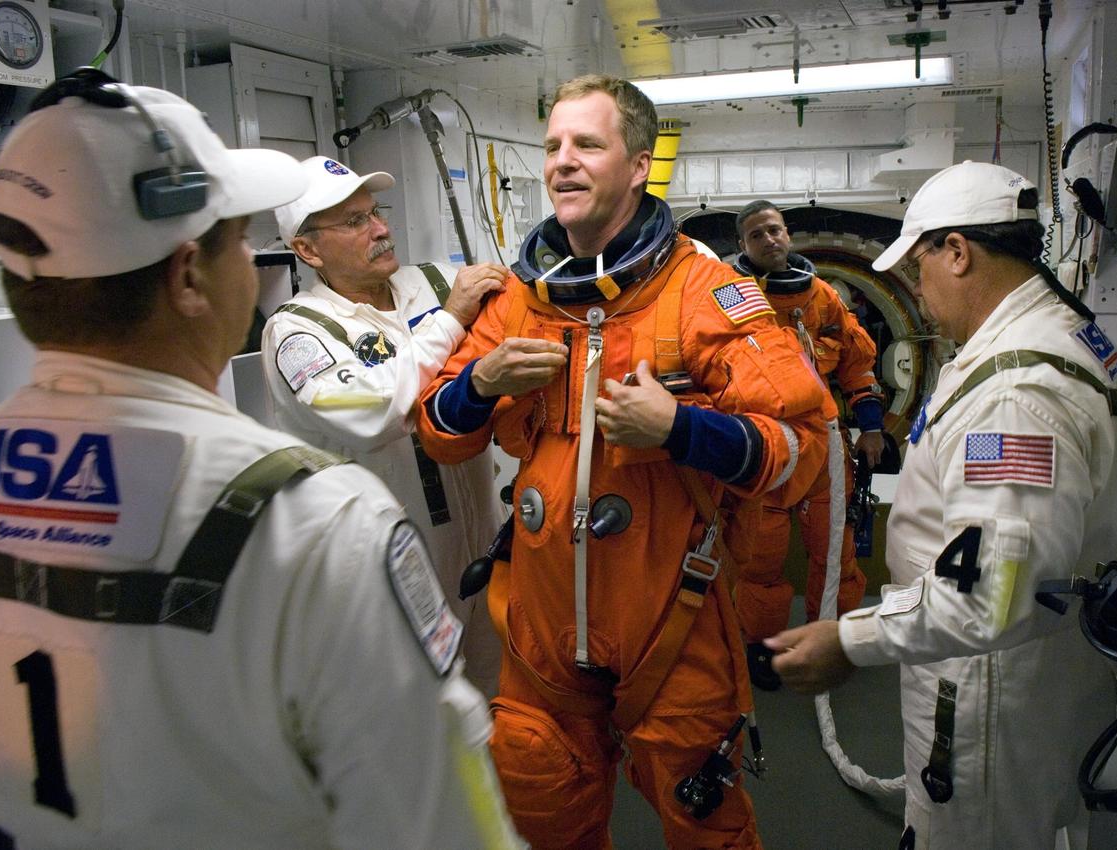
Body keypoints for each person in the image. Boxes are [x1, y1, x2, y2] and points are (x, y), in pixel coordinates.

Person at [0, 71, 519, 849]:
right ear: (189, 278)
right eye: (240, 240)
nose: (254, 262)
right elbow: (444, 823)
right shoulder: (312, 520)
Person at [415, 74, 828, 850]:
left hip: (668, 622)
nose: (562, 163)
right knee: (539, 818)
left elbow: (800, 453)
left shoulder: (704, 293)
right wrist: (479, 381)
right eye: (553, 147)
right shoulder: (517, 301)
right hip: (540, 632)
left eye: (587, 145)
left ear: (638, 164)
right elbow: (440, 433)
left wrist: (681, 430)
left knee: (708, 829)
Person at [767, 161, 1117, 850]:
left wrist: (853, 639)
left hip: (986, 694)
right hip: (1035, 675)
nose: (918, 288)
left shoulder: (1015, 394)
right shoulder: (1072, 337)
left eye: (920, 267)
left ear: (959, 251)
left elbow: (991, 597)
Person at [262, 156, 509, 695]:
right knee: (423, 710)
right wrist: (452, 321)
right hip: (392, 559)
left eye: (376, 212)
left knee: (502, 704)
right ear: (307, 249)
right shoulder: (298, 331)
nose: (380, 229)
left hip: (485, 537)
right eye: (354, 222)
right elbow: (375, 411)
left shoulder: (438, 283)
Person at [729, 200, 886, 691]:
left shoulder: (822, 299)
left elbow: (856, 365)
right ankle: (763, 647)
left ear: (788, 234)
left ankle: (833, 641)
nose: (769, 240)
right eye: (757, 235)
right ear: (743, 247)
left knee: (834, 552)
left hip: (826, 450)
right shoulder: (732, 300)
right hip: (767, 449)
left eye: (775, 230)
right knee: (760, 559)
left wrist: (873, 426)